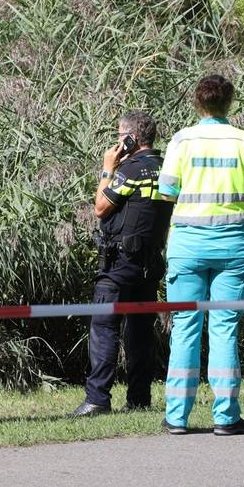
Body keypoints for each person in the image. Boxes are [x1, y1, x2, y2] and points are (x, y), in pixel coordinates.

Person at [158, 75, 244, 435]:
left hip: (188, 245)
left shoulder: (182, 140)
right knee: (225, 329)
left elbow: (166, 191)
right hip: (232, 245)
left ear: (197, 103)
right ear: (230, 103)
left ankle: (177, 416)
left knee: (185, 330)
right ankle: (225, 416)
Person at [72, 111, 173, 416]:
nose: (116, 142)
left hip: (118, 264)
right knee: (140, 332)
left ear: (130, 138)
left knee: (104, 327)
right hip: (150, 261)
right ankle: (139, 398)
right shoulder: (166, 168)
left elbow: (101, 207)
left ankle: (97, 400)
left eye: (119, 136)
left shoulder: (129, 170)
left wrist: (107, 169)